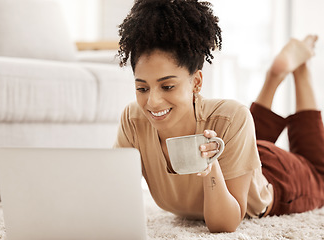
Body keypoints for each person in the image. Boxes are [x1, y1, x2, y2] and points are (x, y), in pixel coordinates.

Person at [114, 0, 324, 233]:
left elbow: (224, 224)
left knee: (320, 174)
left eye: (168, 87)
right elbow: (112, 190)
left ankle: (298, 70)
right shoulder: (133, 120)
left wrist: (211, 167)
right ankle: (275, 75)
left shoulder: (231, 117)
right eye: (142, 88)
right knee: (242, 134)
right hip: (241, 154)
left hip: (274, 176)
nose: (152, 102)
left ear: (196, 82)